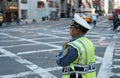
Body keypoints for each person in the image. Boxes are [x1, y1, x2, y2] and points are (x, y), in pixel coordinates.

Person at [56, 14, 96, 78]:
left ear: (77, 30)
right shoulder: (89, 43)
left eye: (71, 27)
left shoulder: (74, 46)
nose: (70, 29)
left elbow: (60, 61)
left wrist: (63, 48)